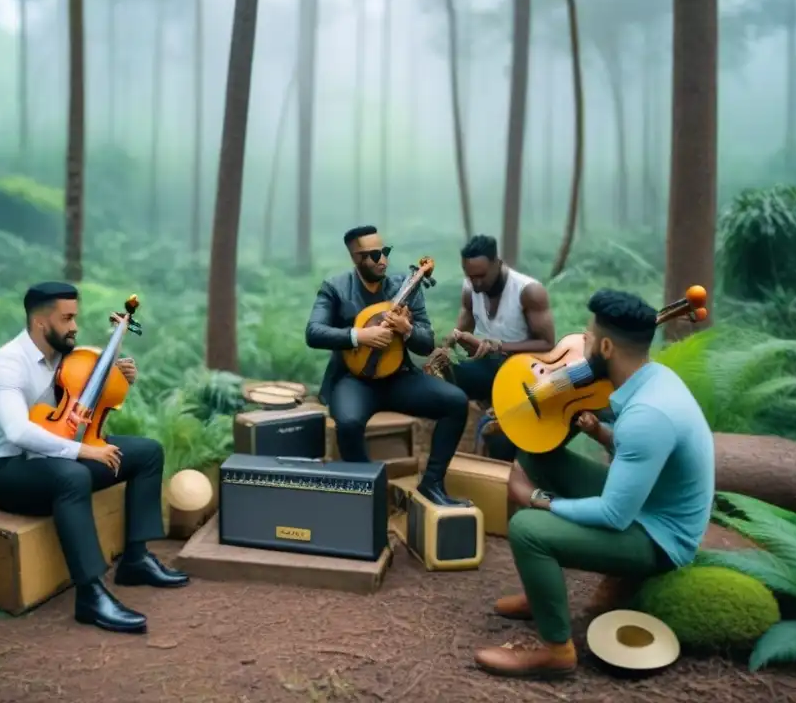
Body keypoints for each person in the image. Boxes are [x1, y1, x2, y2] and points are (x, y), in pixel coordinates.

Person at [473, 289, 715, 677]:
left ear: (605, 346)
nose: (580, 345)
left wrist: (535, 499)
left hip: (659, 536)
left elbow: (614, 515)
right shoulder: (653, 378)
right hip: (647, 501)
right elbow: (644, 456)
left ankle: (556, 651)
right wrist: (603, 434)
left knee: (527, 529)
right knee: (537, 454)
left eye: (586, 338)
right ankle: (543, 594)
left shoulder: (647, 415)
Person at [0, 282, 190, 635]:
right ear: (41, 323)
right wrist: (84, 451)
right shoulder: (5, 364)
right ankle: (90, 594)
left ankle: (136, 559)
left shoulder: (68, 357)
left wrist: (118, 378)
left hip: (60, 453)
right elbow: (17, 432)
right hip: (12, 471)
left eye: (74, 317)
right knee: (72, 477)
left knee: (146, 453)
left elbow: (87, 403)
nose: (75, 326)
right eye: (67, 318)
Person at [305, 225, 472, 507]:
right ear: (355, 258)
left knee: (455, 402)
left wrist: (407, 330)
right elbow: (314, 332)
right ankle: (369, 493)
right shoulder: (335, 287)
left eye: (384, 251)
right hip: (353, 379)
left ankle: (432, 484)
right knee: (347, 422)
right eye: (372, 255)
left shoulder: (406, 287)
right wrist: (359, 336)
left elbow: (427, 343)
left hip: (398, 377)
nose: (382, 259)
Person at [426, 234, 555, 460]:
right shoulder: (470, 288)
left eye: (481, 276)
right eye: (470, 275)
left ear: (498, 263)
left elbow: (547, 345)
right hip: (486, 366)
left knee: (501, 443)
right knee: (435, 379)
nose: (475, 283)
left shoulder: (528, 292)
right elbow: (461, 329)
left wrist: (500, 346)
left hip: (521, 371)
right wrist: (446, 346)